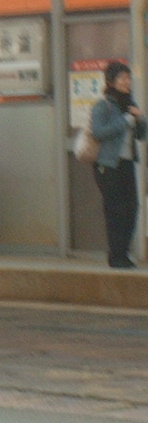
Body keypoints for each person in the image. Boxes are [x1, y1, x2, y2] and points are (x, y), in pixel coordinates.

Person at [90, 60, 146, 269]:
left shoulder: (131, 104)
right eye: (122, 78)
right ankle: (116, 256)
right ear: (112, 81)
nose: (127, 82)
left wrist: (140, 120)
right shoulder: (103, 105)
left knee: (132, 208)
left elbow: (141, 135)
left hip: (127, 163)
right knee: (115, 210)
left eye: (128, 78)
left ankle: (123, 253)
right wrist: (126, 121)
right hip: (108, 166)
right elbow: (98, 132)